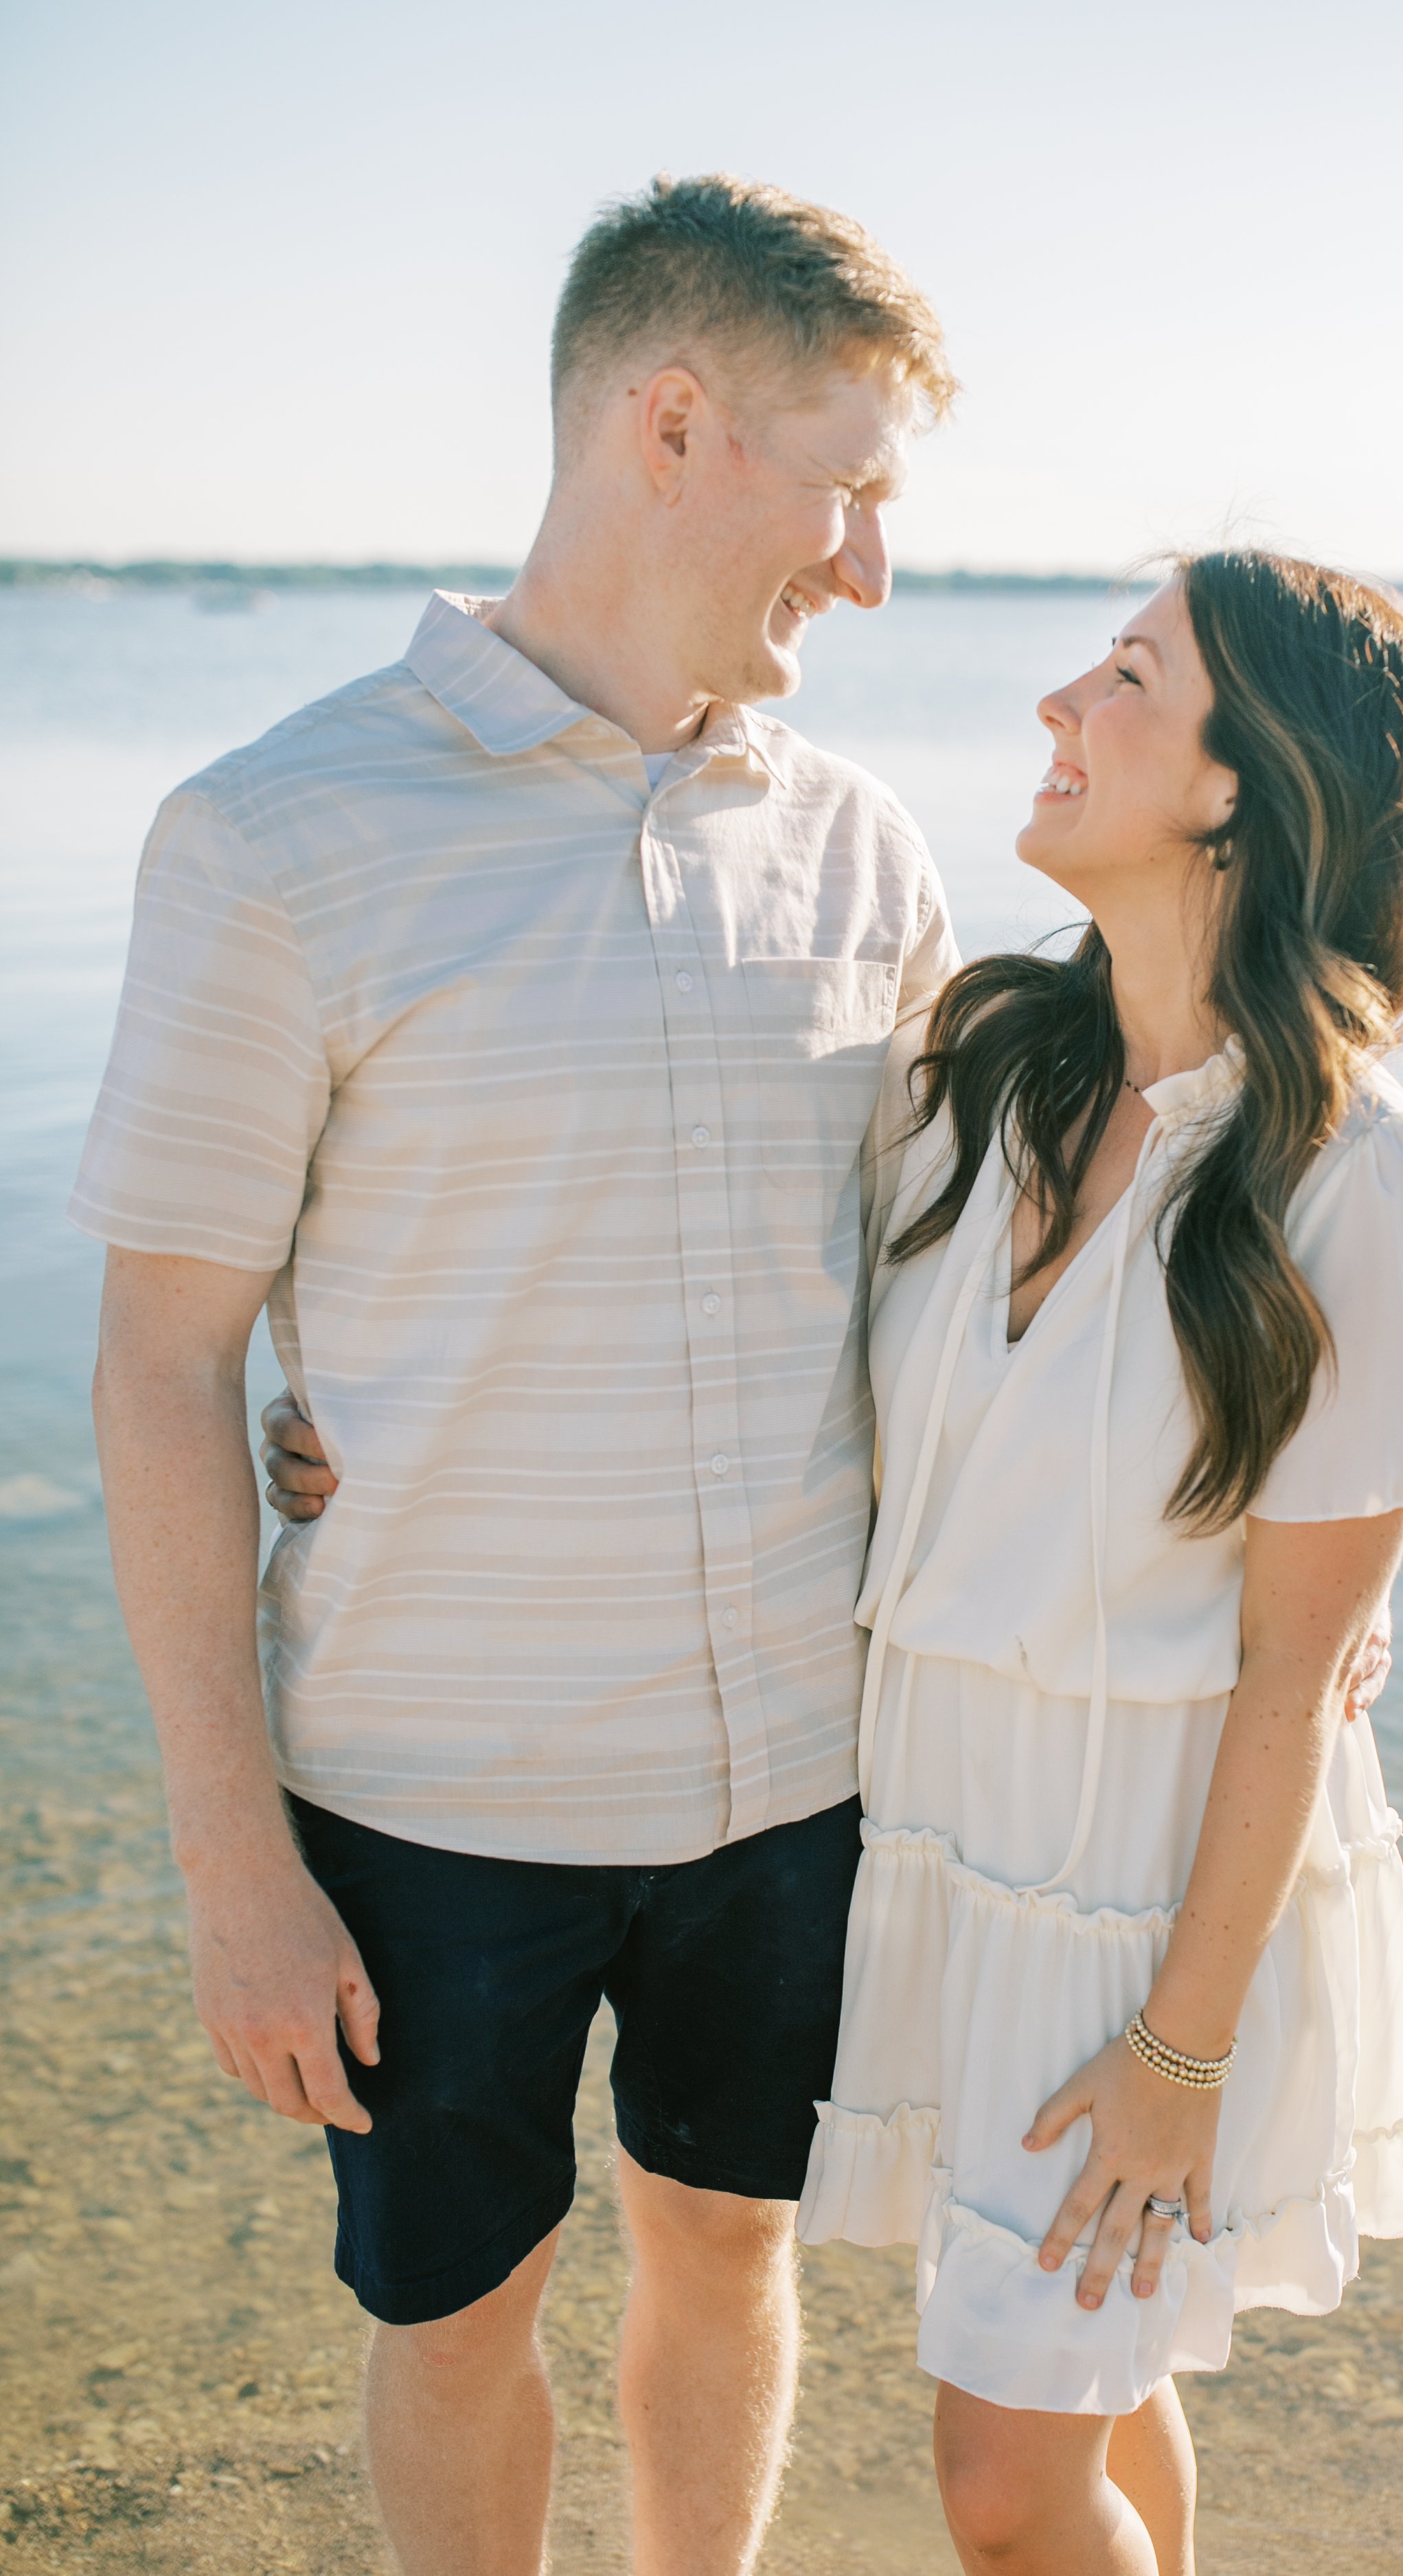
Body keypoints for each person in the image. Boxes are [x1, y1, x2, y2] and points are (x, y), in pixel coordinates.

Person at [75, 173, 966, 2576]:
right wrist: (229, 1858)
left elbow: (961, 1291)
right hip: (422, 1797)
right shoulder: (275, 835)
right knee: (460, 2310)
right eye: (848, 487)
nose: (870, 565)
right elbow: (164, 1358)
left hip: (791, 1774)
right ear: (672, 424)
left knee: (727, 2247)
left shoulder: (870, 853)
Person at [794, 551, 1403, 2576]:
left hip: (1149, 1917)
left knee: (1003, 2484)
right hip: (955, 1852)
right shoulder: (976, 1067)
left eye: (1122, 676)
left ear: (1230, 788)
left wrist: (1177, 2059)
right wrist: (359, 1425)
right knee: (1095, 2413)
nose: (1056, 705)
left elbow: (1295, 1677)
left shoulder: (1354, 1174)